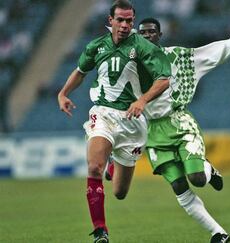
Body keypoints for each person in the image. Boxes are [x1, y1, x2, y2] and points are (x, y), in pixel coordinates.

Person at [105, 18, 230, 242]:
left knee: (197, 178)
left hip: (179, 122)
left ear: (160, 35)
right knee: (178, 186)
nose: (147, 36)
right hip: (152, 131)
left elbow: (208, 56)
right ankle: (219, 233)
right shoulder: (130, 63)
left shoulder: (177, 56)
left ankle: (207, 169)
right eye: (143, 33)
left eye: (151, 32)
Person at [57, 1, 171, 242]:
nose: (125, 25)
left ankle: (114, 165)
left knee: (120, 192)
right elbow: (80, 71)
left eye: (129, 20)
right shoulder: (97, 46)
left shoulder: (143, 46)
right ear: (110, 21)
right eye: (120, 20)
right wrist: (63, 93)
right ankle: (100, 230)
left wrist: (142, 102)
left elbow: (163, 80)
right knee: (94, 168)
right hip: (104, 114)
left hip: (132, 121)